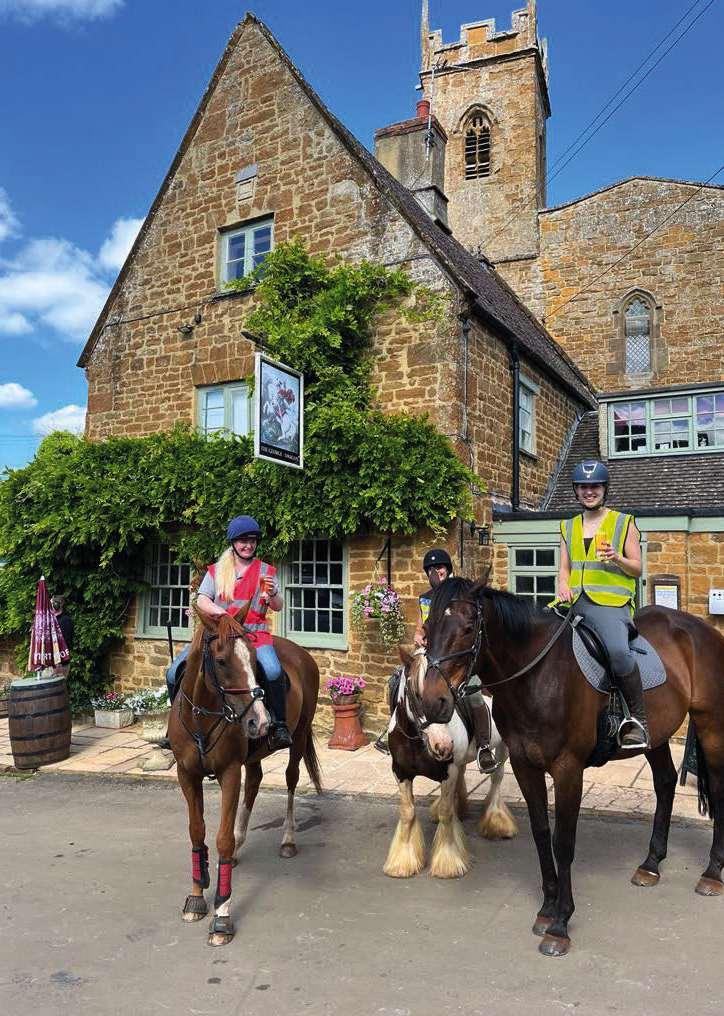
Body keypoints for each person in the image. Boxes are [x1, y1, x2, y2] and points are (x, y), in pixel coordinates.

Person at [376, 548, 498, 773]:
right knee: (398, 681)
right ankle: (391, 731)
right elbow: (421, 625)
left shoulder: (457, 595)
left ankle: (483, 746)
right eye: (431, 569)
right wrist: (418, 634)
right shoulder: (425, 598)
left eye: (440, 567)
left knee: (474, 696)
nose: (436, 571)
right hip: (429, 655)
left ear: (448, 569)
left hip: (453, 657)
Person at [557, 460, 648, 749]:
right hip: (574, 602)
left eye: (595, 486)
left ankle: (637, 720)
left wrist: (617, 558)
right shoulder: (568, 526)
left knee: (618, 652)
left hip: (611, 604)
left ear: (604, 489)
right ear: (576, 490)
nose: (589, 492)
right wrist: (562, 585)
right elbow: (564, 569)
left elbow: (637, 569)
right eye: (583, 487)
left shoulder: (624, 522)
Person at [51, 594, 73, 677]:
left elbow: (66, 642)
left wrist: (58, 661)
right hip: (51, 662)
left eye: (51, 603)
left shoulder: (65, 621)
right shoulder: (51, 620)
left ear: (56, 605)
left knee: (58, 684)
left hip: (60, 663)